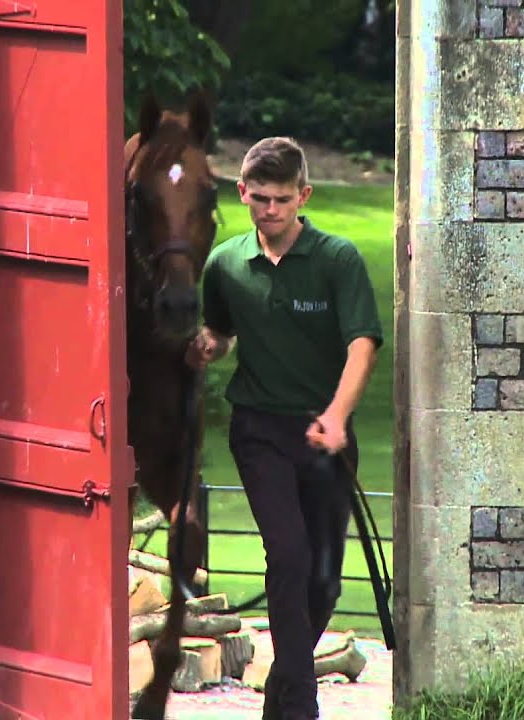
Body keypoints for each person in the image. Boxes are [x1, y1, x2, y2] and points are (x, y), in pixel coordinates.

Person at [185, 136, 383, 720]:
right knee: (288, 553)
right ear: (242, 192)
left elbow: (363, 345)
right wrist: (208, 346)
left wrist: (337, 416)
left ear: (304, 196)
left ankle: (283, 685)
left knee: (324, 581)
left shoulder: (337, 259)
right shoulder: (225, 265)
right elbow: (222, 333)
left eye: (282, 200)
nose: (270, 211)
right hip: (259, 430)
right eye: (259, 199)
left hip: (324, 433)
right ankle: (298, 707)